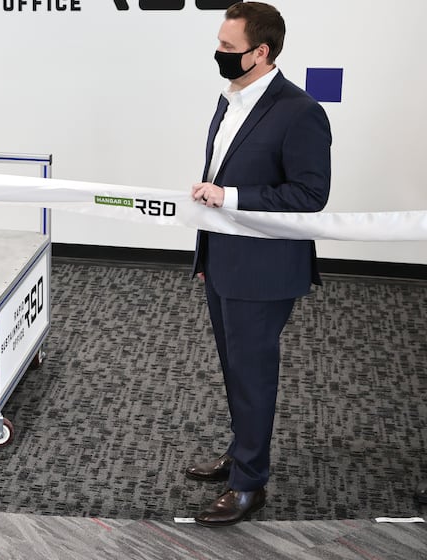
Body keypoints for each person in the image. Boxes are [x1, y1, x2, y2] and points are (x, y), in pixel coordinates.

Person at [186, 2, 331, 527]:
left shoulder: (300, 111)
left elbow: (310, 194)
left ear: (260, 52)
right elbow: (217, 177)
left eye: (228, 47)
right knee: (234, 369)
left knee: (253, 374)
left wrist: (230, 197)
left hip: (264, 270)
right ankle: (242, 451)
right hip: (224, 260)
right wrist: (207, 250)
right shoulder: (232, 100)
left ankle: (250, 484)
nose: (218, 54)